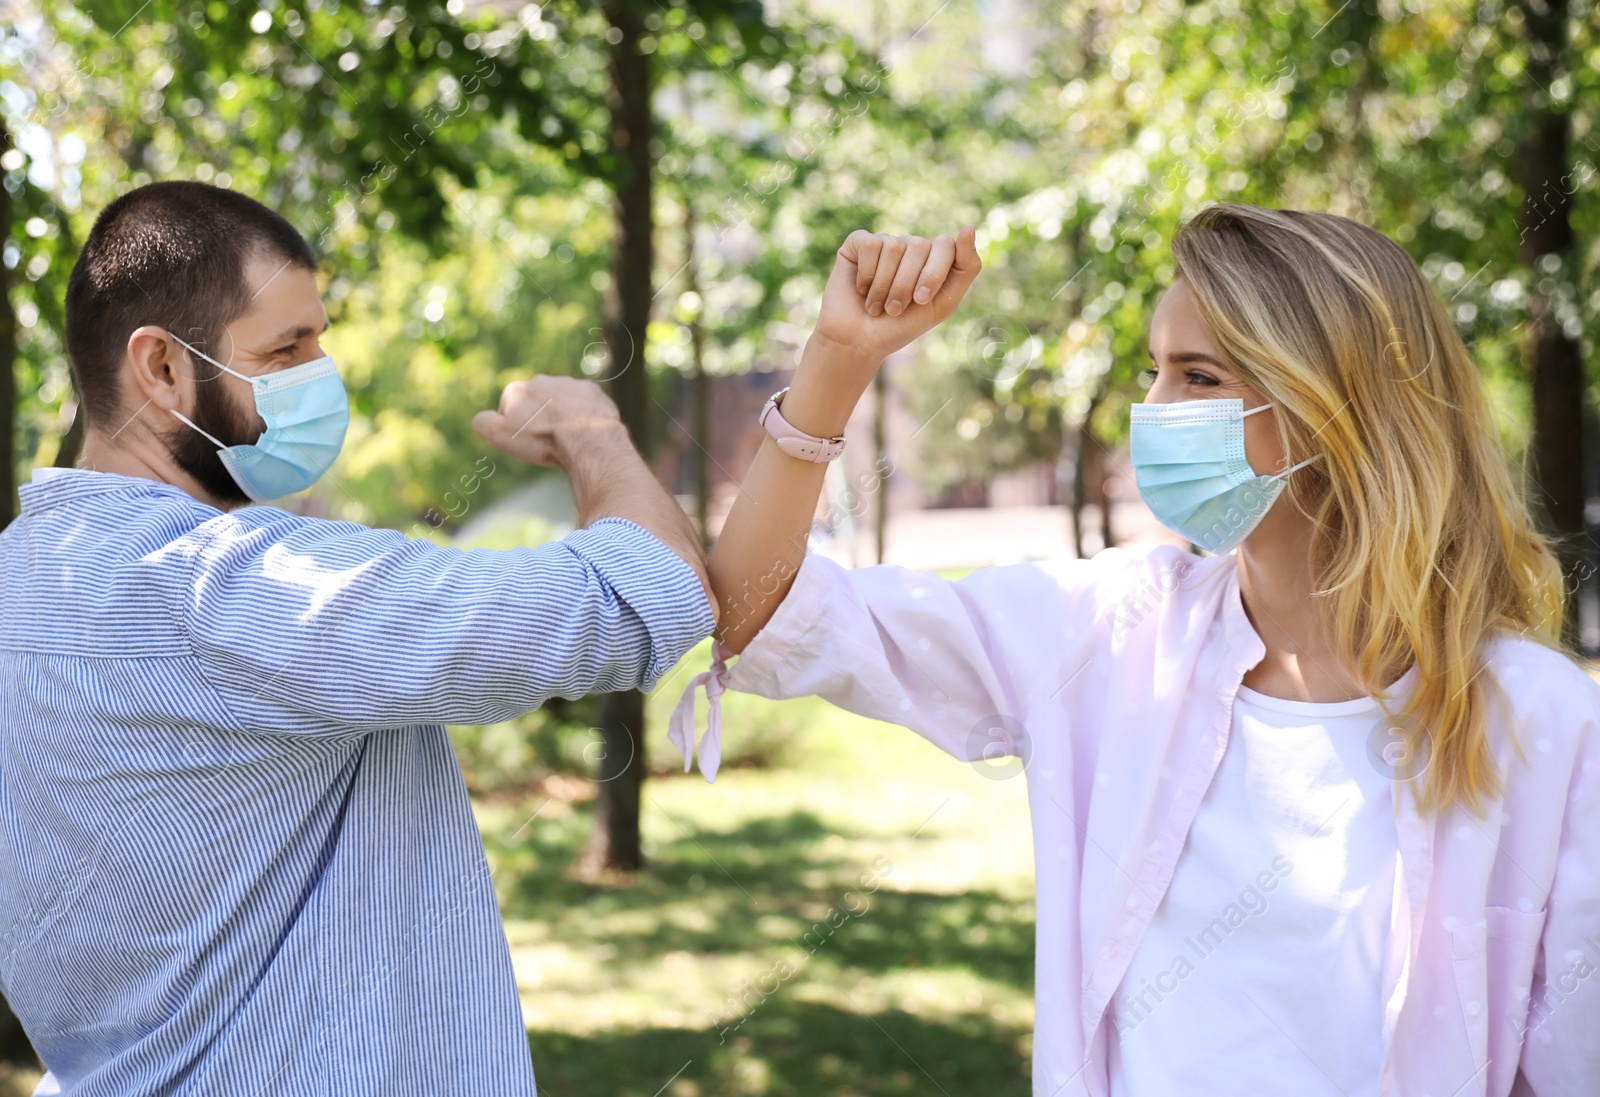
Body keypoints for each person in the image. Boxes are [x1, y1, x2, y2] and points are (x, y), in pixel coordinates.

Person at [672, 208, 1600, 1096]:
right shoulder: (1107, 633)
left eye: (1197, 377)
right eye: (1153, 371)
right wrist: (837, 363)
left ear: (1338, 408)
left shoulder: (1544, 722)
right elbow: (757, 612)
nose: (1152, 410)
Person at [0, 181, 716, 1095]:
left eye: (319, 338)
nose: (320, 372)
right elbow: (642, 596)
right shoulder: (234, 587)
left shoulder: (22, 579)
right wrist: (593, 433)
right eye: (285, 348)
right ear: (161, 368)